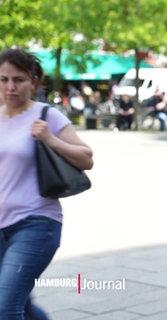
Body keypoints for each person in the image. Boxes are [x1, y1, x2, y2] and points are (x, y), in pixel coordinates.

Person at [0, 48, 94, 319]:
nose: (10, 87)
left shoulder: (46, 115)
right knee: (22, 305)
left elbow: (87, 158)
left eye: (18, 79)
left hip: (36, 223)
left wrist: (51, 140)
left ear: (34, 82)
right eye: (3, 79)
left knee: (6, 308)